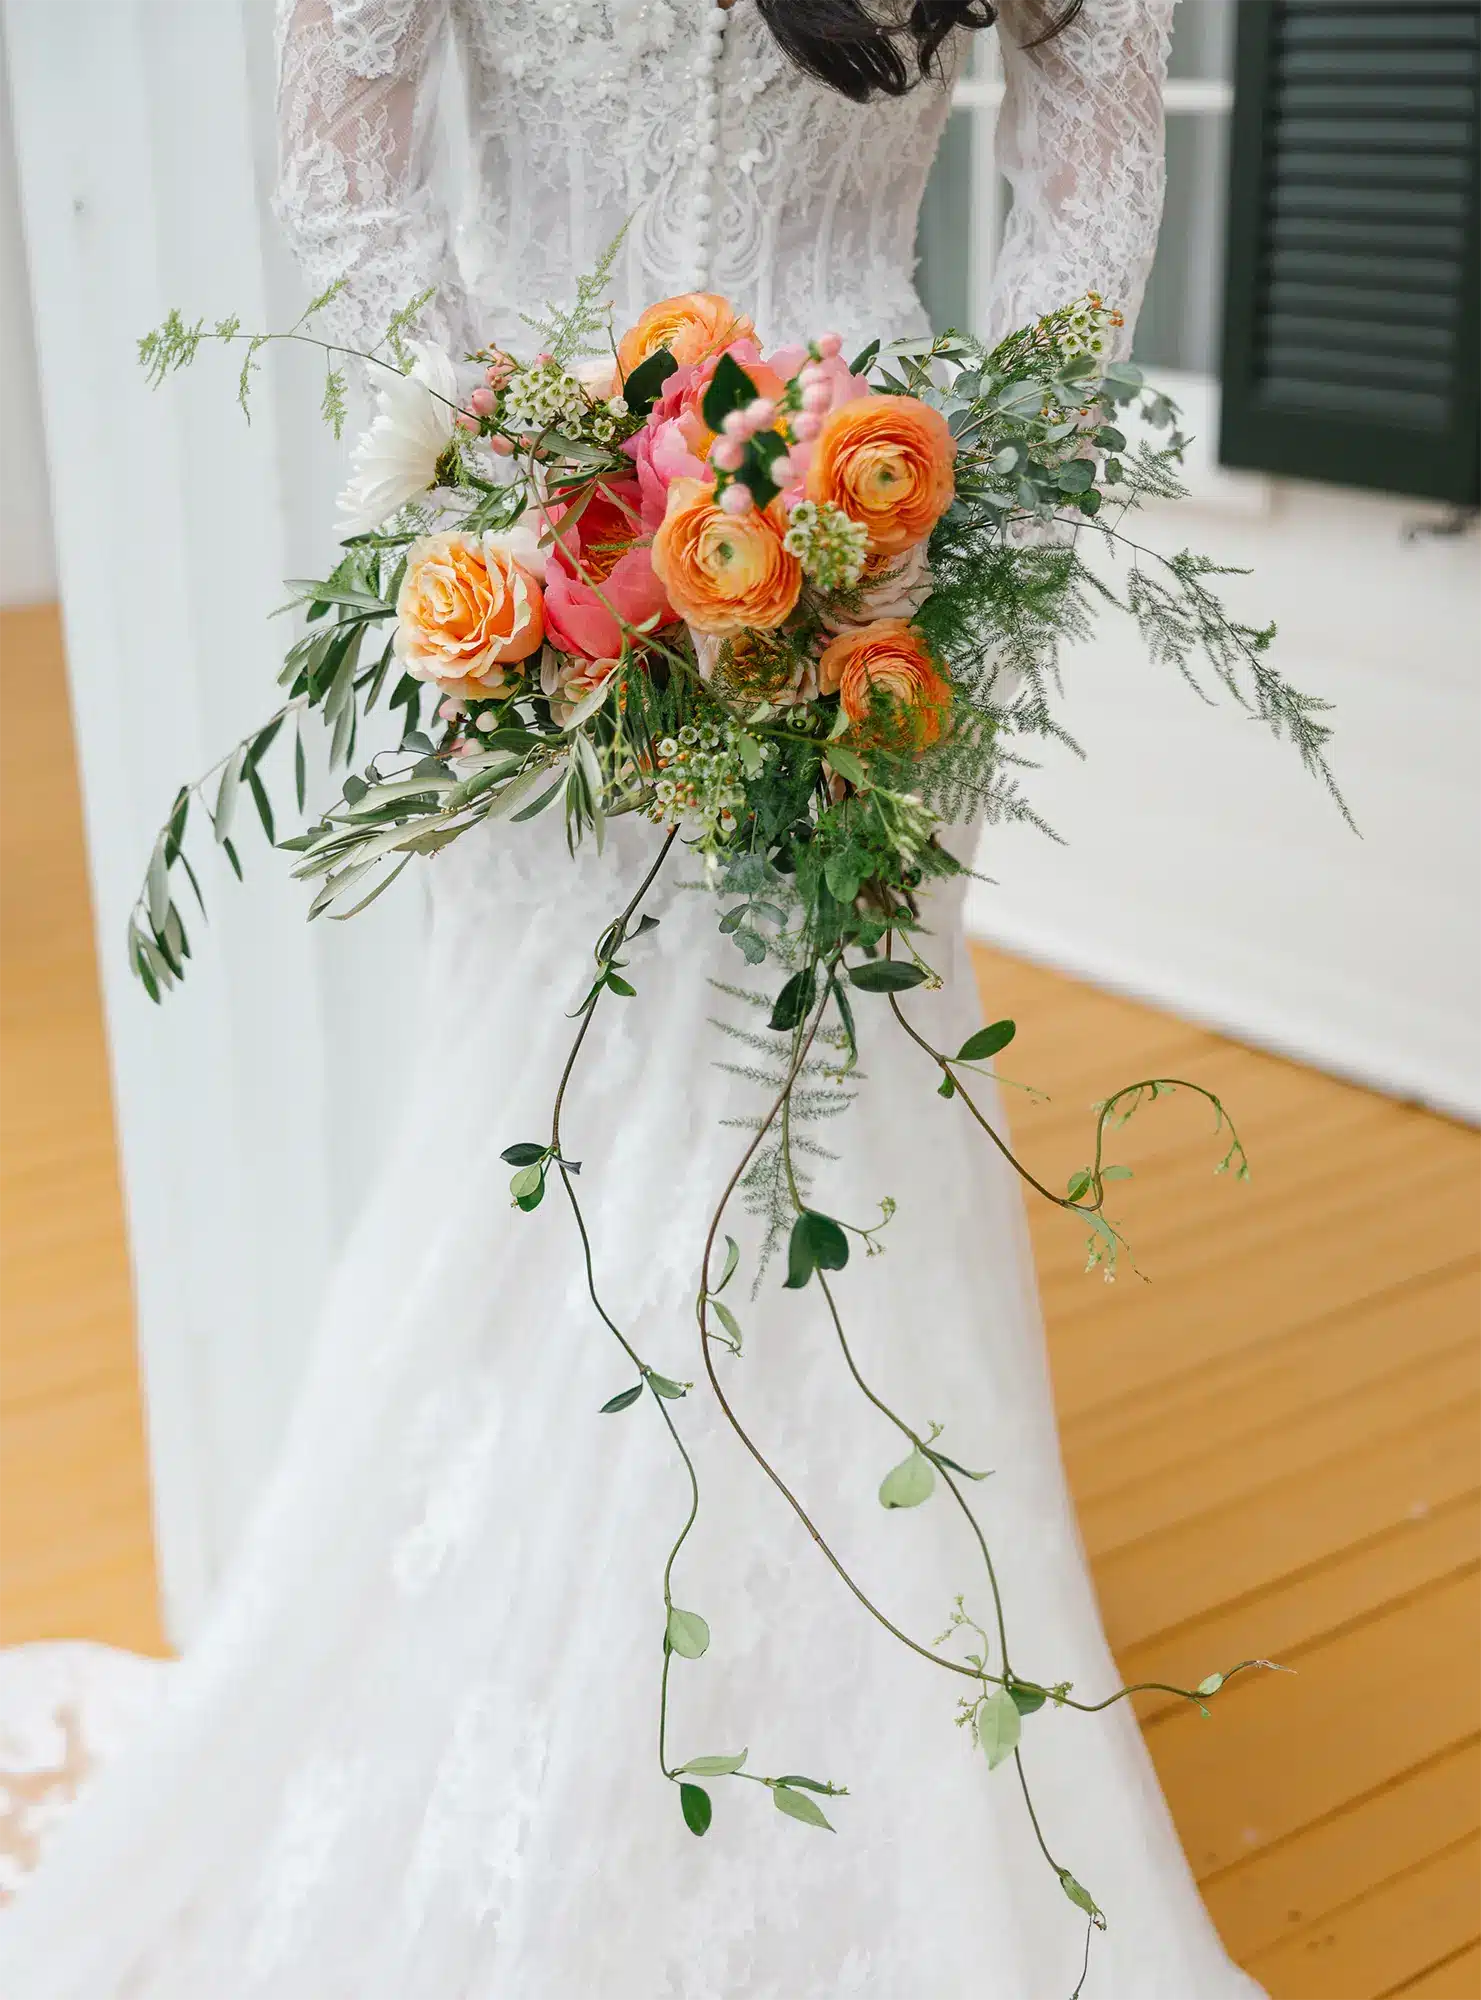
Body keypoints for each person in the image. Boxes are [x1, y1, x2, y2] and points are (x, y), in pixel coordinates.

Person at [0, 1, 1266, 1991]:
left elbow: (1093, 121)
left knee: (836, 1162)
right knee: (548, 1143)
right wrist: (502, 464)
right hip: (553, 582)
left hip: (863, 575)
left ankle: (844, 1781)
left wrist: (968, 497)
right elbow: (346, 155)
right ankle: (541, 1735)